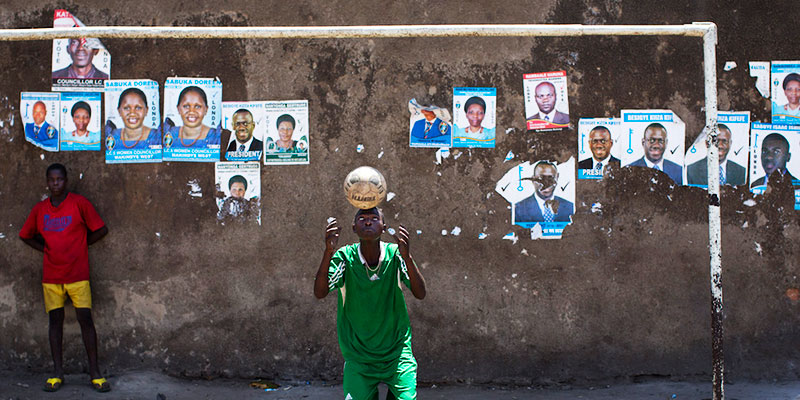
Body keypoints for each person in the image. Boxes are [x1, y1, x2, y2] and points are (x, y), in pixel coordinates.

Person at [314, 208, 426, 400]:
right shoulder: (345, 257)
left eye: (374, 219)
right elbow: (320, 292)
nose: (368, 222)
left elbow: (420, 293)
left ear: (384, 227)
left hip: (397, 354)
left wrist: (407, 258)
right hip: (359, 357)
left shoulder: (395, 255)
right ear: (353, 227)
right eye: (362, 218)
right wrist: (328, 252)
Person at [18, 163, 110, 393]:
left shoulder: (79, 204)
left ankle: (95, 373)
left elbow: (101, 229)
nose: (55, 184)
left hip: (78, 274)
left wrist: (81, 246)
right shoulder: (40, 210)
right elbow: (25, 235)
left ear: (66, 181)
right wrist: (45, 249)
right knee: (55, 322)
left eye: (59, 179)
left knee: (85, 320)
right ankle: (57, 373)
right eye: (51, 180)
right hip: (51, 276)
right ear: (47, 182)